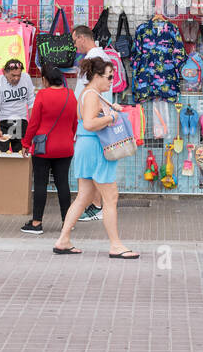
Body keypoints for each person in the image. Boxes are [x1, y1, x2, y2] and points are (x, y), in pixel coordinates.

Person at [52, 56, 139, 259]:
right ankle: (116, 245)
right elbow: (90, 123)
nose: (111, 81)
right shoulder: (92, 95)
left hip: (85, 146)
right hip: (95, 148)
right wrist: (111, 117)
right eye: (109, 77)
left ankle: (63, 240)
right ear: (97, 76)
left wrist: (109, 112)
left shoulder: (88, 93)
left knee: (84, 196)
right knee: (110, 197)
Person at [20, 64, 78, 235]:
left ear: (45, 80)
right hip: (65, 147)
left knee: (40, 184)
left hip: (43, 148)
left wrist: (26, 143)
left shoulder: (43, 95)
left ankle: (37, 223)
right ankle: (67, 222)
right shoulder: (71, 95)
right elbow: (74, 123)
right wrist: (68, 138)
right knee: (63, 184)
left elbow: (34, 123)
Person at [71, 24, 111, 222]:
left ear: (81, 38)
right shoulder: (103, 56)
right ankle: (96, 205)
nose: (74, 45)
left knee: (92, 168)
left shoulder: (93, 59)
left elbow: (84, 92)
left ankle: (97, 206)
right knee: (94, 167)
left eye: (74, 40)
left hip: (91, 119)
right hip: (96, 117)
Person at [0, 58, 35, 156]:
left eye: (18, 75)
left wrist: (32, 125)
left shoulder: (26, 78)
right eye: (13, 75)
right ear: (4, 72)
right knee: (2, 154)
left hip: (21, 120)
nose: (16, 78)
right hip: (4, 121)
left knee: (21, 154)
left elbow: (31, 102)